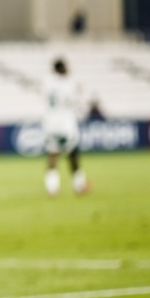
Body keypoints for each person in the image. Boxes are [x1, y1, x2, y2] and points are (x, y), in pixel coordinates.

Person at [41, 59, 90, 197]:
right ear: (62, 68)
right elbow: (77, 100)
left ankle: (52, 188)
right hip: (66, 124)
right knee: (73, 154)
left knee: (52, 155)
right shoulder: (69, 83)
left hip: (50, 124)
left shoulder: (47, 82)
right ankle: (79, 185)